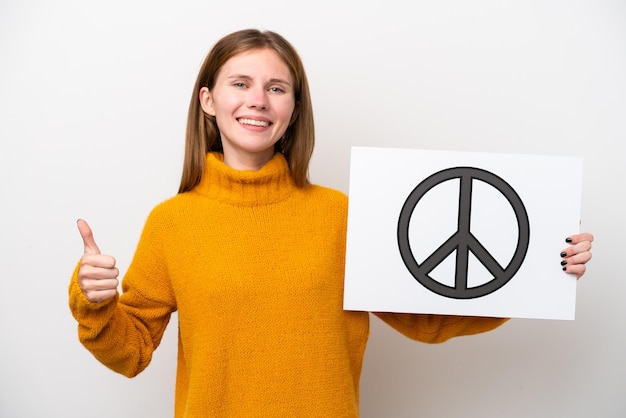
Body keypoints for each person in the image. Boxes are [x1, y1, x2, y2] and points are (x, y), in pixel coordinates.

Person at [68, 29, 594, 417]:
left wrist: (540, 270)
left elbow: (426, 319)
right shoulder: (172, 223)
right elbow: (131, 351)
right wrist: (95, 304)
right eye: (241, 83)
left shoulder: (341, 216)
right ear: (208, 100)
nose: (258, 99)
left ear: (293, 110)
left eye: (277, 87)